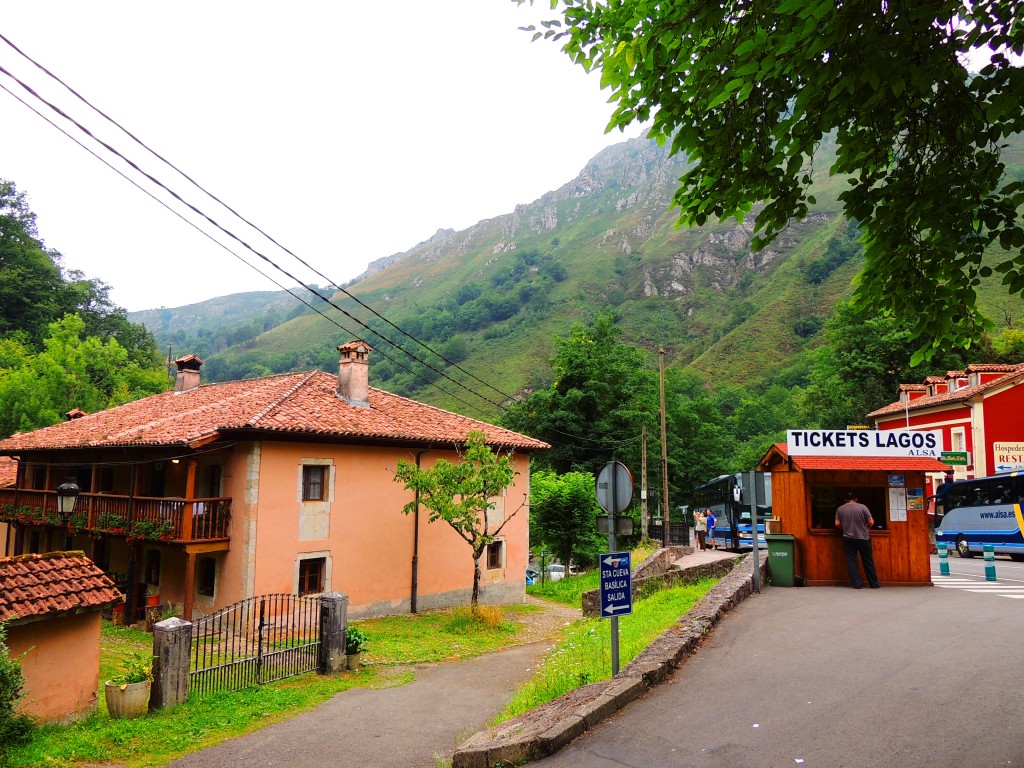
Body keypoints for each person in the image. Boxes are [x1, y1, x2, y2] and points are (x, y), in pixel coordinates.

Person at [835, 490, 880, 589]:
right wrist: (867, 527)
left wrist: (843, 528)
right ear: (856, 499)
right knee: (868, 561)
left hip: (848, 538)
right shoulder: (863, 507)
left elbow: (837, 523)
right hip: (863, 537)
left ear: (845, 500)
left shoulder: (840, 509)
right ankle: (874, 584)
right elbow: (871, 522)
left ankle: (857, 584)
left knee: (851, 561)